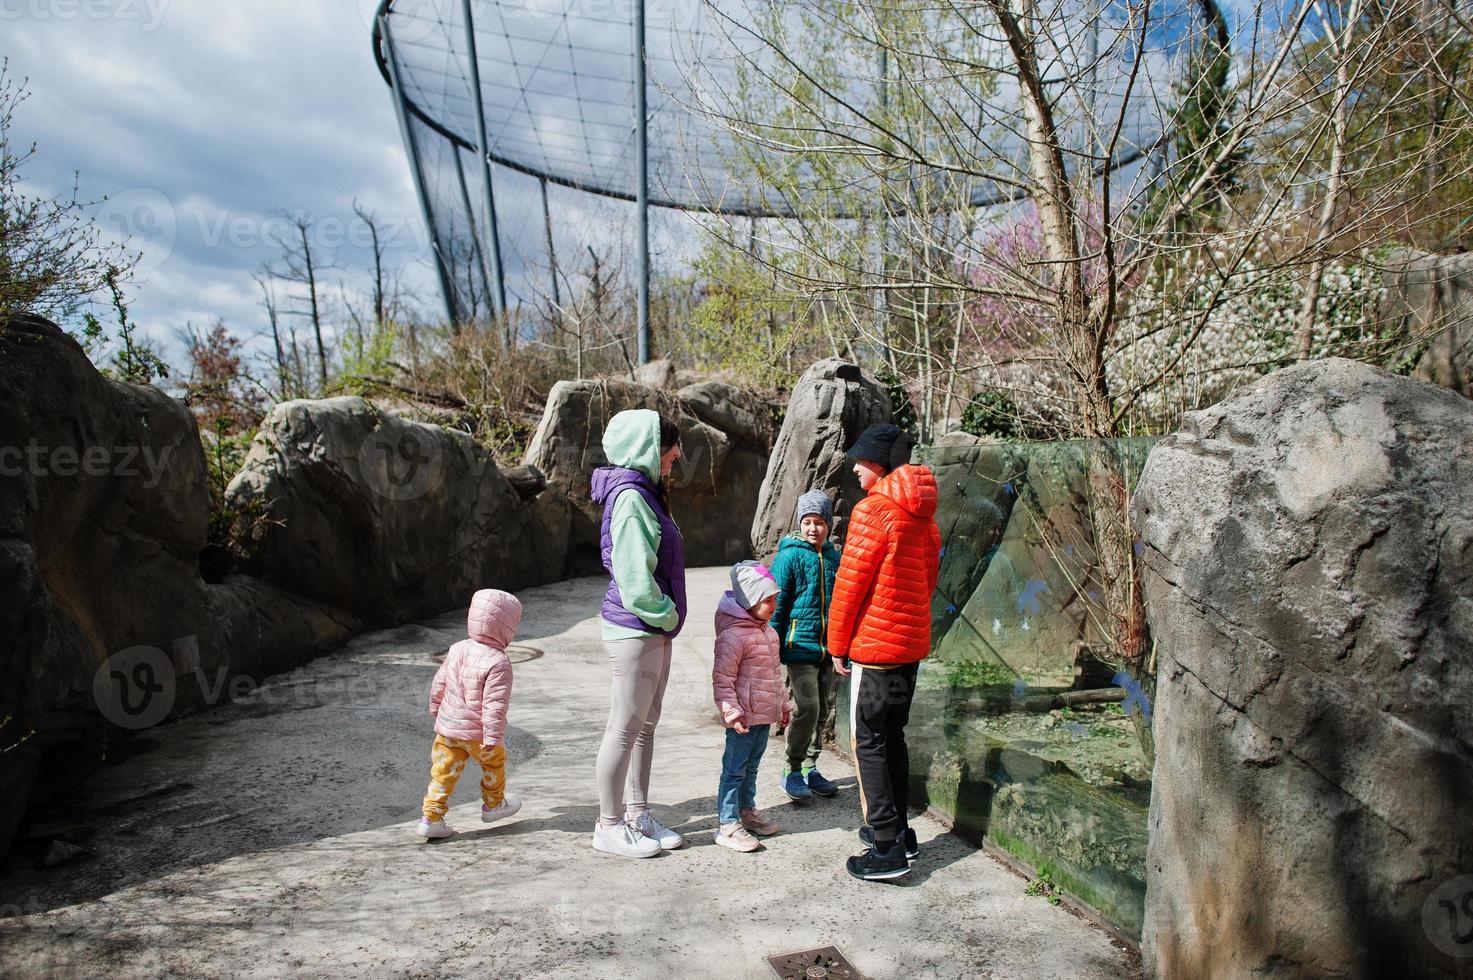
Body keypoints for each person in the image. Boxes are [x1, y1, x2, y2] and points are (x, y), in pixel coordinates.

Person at [827, 423, 941, 880]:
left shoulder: (873, 511)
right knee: (892, 735)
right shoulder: (923, 514)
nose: (854, 468)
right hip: (908, 645)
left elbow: (850, 585)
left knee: (869, 739)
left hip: (876, 647)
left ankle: (887, 847)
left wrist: (837, 643)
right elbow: (928, 584)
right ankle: (900, 830)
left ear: (878, 464)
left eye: (860, 460)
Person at [589, 409, 689, 858]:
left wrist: (665, 622)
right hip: (637, 629)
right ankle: (608, 826)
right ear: (648, 447)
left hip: (652, 630)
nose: (677, 454)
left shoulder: (646, 493)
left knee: (645, 727)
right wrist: (665, 615)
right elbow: (635, 578)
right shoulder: (631, 497)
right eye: (671, 444)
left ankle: (638, 815)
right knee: (624, 729)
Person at [417, 589, 525, 839]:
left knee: (443, 772)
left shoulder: (457, 648)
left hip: (447, 728)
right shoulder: (498, 662)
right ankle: (494, 804)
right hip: (478, 733)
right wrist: (493, 736)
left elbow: (439, 682)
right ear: (506, 627)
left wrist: (435, 708)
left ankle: (430, 817)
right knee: (493, 763)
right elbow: (494, 705)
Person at [712, 560, 794, 853]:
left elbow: (774, 676)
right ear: (749, 601)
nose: (774, 605)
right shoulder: (733, 636)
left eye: (775, 599)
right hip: (743, 719)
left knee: (752, 768)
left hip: (763, 717)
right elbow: (723, 679)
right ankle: (727, 823)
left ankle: (747, 812)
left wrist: (783, 705)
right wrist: (731, 712)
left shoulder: (768, 632)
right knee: (734, 770)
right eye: (767, 600)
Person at [769, 490, 842, 801]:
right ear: (800, 524)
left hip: (828, 647)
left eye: (819, 522)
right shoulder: (789, 556)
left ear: (828, 525)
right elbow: (777, 603)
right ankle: (791, 769)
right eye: (808, 522)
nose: (813, 529)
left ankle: (811, 767)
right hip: (799, 645)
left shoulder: (835, 557)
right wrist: (771, 645)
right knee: (809, 706)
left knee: (823, 709)